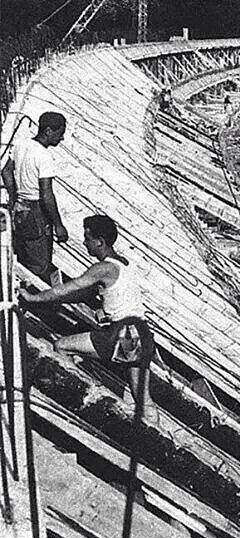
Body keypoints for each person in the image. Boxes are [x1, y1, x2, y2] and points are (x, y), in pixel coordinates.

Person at [20, 215, 156, 418]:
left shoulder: (102, 268)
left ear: (99, 242)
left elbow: (67, 289)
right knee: (143, 399)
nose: (85, 243)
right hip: (142, 334)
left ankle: (78, 400)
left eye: (87, 238)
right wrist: (52, 299)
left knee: (61, 346)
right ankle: (157, 443)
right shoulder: (123, 264)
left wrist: (32, 298)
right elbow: (81, 294)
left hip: (124, 334)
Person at [1, 111, 68, 283]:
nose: (61, 138)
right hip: (36, 212)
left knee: (24, 251)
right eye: (60, 133)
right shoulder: (44, 156)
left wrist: (14, 197)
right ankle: (39, 298)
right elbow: (46, 195)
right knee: (41, 261)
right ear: (48, 131)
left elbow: (6, 171)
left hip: (19, 209)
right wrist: (59, 225)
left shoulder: (20, 145)